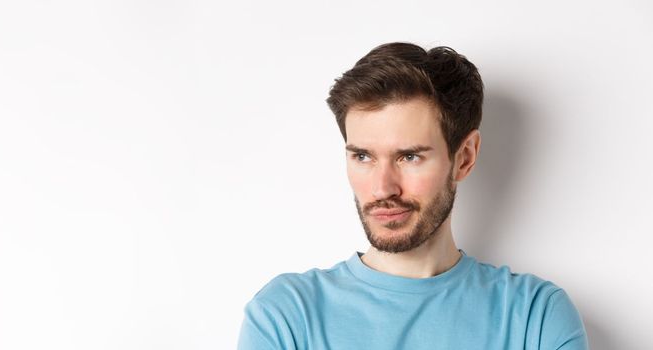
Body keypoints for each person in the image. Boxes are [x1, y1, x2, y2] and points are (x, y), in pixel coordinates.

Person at [236, 42, 588, 350]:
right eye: (363, 156)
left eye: (409, 157)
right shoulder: (285, 317)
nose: (382, 188)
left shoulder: (535, 316)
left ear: (464, 157)